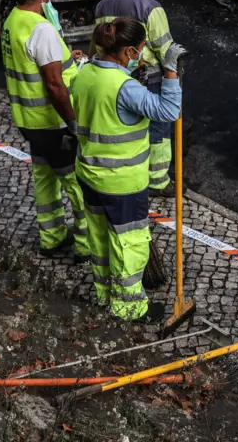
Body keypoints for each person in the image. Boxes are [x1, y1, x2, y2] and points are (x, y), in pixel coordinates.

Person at [72, 18, 184, 322]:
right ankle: (129, 306)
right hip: (122, 182)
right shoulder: (125, 89)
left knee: (99, 237)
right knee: (129, 244)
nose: (142, 55)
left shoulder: (84, 74)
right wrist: (171, 72)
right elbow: (168, 111)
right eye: (141, 50)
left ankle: (102, 293)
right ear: (128, 51)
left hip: (89, 174)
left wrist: (131, 76)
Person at [1, 0, 89, 259]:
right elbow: (54, 85)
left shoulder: (13, 20)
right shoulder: (41, 29)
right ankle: (86, 245)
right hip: (53, 125)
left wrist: (68, 58)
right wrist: (74, 124)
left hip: (28, 121)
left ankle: (51, 237)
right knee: (76, 183)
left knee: (44, 178)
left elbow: (35, 67)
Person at [95, 0, 176, 194]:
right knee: (158, 130)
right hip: (148, 78)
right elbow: (166, 51)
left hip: (114, 75)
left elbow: (100, 43)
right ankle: (158, 180)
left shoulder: (102, 6)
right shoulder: (150, 8)